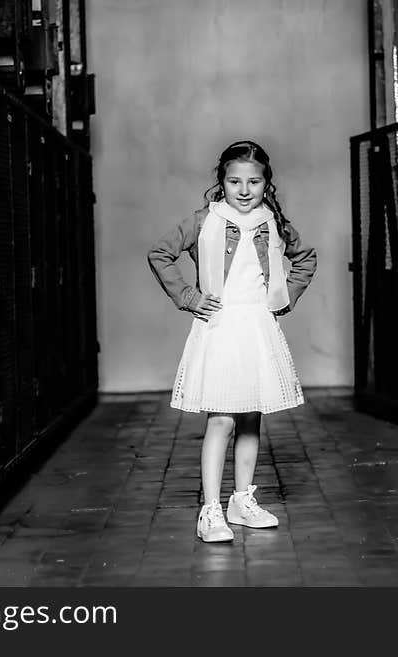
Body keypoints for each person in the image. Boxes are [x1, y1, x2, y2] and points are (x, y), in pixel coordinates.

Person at [147, 140, 317, 542]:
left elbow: (305, 257)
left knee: (251, 416)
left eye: (254, 181)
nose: (244, 190)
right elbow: (160, 253)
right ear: (221, 182)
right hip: (221, 327)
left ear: (266, 184)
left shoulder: (273, 222)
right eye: (234, 180)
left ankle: (241, 500)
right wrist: (189, 298)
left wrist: (283, 298)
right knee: (221, 419)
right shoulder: (204, 220)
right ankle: (210, 510)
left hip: (257, 328)